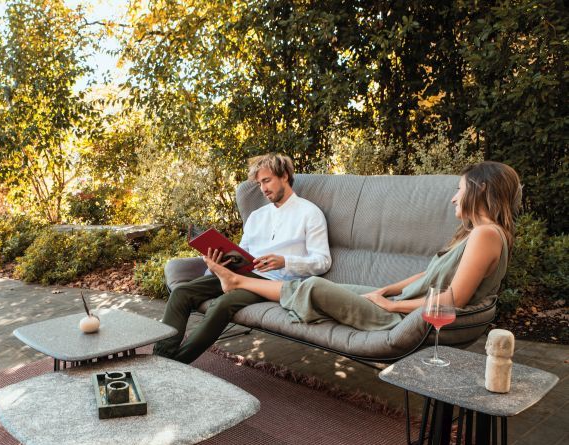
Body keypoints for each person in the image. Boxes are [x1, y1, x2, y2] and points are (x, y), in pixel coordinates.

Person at [203, 161, 521, 331]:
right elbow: (429, 274)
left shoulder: (486, 235)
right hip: (405, 303)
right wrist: (387, 290)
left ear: (479, 190)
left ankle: (237, 281)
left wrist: (392, 306)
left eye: (460, 189)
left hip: (403, 318)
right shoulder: (474, 234)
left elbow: (451, 301)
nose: (453, 197)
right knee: (349, 288)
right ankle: (237, 281)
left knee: (313, 285)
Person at [154, 153, 331, 363]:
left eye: (267, 181)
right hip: (241, 272)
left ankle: (174, 363)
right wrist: (218, 262)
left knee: (223, 304)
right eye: (259, 183)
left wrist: (285, 261)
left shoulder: (310, 213)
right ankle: (160, 356)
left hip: (273, 282)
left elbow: (323, 261)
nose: (263, 189)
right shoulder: (257, 216)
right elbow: (242, 251)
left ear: (284, 176)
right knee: (182, 292)